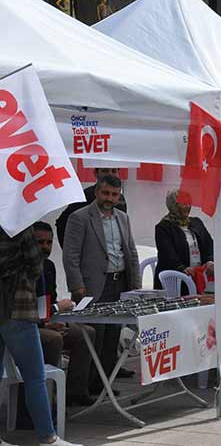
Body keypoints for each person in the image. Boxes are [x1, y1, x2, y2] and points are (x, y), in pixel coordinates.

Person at [0, 224, 81, 446]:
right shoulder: (19, 225)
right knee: (35, 377)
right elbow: (37, 266)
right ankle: (47, 436)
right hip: (18, 308)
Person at [62, 175, 141, 393]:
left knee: (111, 339)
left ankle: (102, 384)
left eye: (114, 195)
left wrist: (135, 286)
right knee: (92, 339)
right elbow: (71, 255)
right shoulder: (80, 217)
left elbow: (131, 252)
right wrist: (77, 285)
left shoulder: (123, 218)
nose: (109, 198)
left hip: (119, 283)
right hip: (91, 287)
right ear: (97, 191)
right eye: (106, 193)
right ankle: (81, 389)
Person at [32, 222, 96, 407]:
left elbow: (46, 301)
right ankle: (46, 402)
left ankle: (75, 393)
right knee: (53, 339)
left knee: (86, 333)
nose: (45, 247)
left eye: (49, 242)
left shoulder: (49, 266)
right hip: (26, 325)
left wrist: (56, 318)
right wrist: (48, 320)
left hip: (46, 319)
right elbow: (21, 309)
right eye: (40, 242)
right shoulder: (22, 270)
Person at [155, 190, 214, 293]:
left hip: (199, 276)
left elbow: (209, 244)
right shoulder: (163, 227)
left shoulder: (196, 222)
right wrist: (182, 268)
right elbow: (168, 254)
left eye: (188, 203)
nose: (187, 206)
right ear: (173, 205)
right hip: (176, 278)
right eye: (183, 203)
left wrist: (210, 261)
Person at [55, 167, 127, 248]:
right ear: (96, 173)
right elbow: (62, 222)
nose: (110, 175)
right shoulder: (85, 196)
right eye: (105, 171)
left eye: (114, 171)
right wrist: (70, 253)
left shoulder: (121, 199)